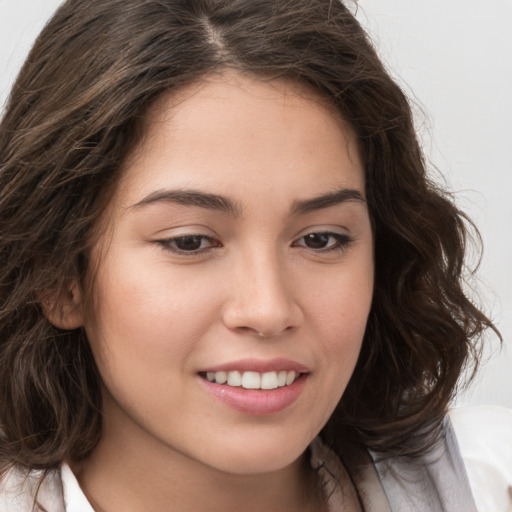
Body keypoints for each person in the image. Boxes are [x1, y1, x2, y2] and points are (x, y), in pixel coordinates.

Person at [0, 0, 510, 510]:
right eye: (190, 242)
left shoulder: (491, 484)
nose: (268, 310)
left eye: (320, 239)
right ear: (60, 275)